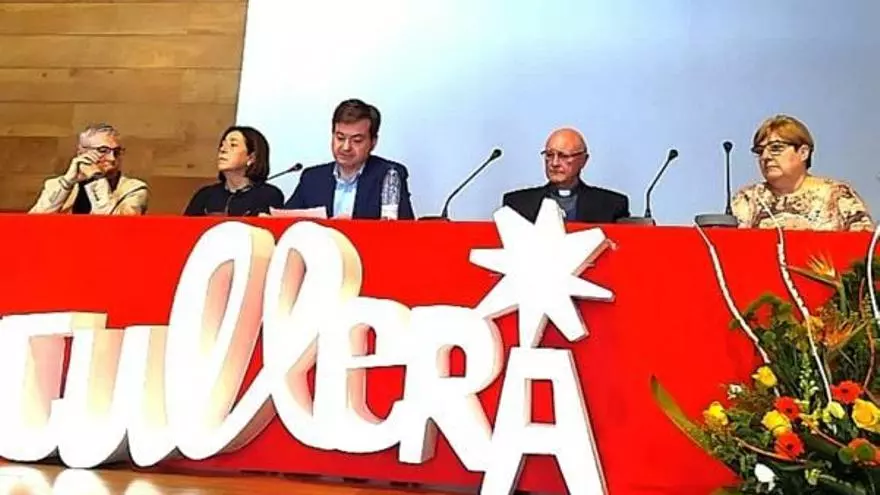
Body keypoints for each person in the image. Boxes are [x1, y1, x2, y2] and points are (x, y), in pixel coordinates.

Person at [731, 114, 874, 231]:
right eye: (760, 151)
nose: (765, 156)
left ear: (803, 153)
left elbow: (866, 247)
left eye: (776, 148)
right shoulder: (748, 198)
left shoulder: (837, 194)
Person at [283, 98, 415, 219]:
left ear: (373, 142)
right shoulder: (312, 179)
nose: (346, 147)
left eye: (356, 140)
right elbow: (284, 222)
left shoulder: (389, 175)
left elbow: (405, 229)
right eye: (340, 138)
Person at [502, 127, 629, 223]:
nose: (554, 163)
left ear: (583, 160)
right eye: (549, 155)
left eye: (563, 156)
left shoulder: (611, 205)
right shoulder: (517, 204)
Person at [29, 123, 149, 215]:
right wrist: (67, 183)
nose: (112, 158)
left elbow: (117, 226)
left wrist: (97, 178)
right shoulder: (55, 185)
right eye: (103, 151)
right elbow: (33, 224)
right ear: (82, 153)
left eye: (117, 152)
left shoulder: (134, 189)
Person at [183, 126, 284, 216]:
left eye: (233, 145)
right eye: (222, 145)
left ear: (251, 157)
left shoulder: (268, 195)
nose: (223, 150)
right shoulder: (205, 195)